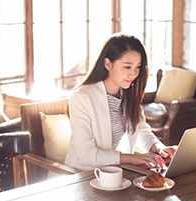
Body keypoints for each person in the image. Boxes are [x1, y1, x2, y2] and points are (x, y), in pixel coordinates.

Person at [64, 33, 176, 171]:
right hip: (82, 175)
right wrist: (133, 158)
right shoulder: (82, 97)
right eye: (127, 67)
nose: (134, 74)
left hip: (114, 172)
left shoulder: (128, 94)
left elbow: (140, 131)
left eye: (138, 67)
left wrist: (160, 148)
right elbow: (86, 155)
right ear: (107, 64)